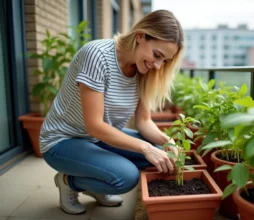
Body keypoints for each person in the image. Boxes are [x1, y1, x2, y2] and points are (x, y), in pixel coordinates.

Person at [40, 9, 184, 214]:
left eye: (165, 61)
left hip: (97, 139)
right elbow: (95, 125)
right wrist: (145, 148)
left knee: (158, 154)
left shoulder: (144, 70)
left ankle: (98, 178)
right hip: (63, 140)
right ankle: (69, 181)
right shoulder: (97, 55)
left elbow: (144, 122)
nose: (158, 66)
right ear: (140, 36)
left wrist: (167, 142)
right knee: (126, 177)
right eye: (157, 55)